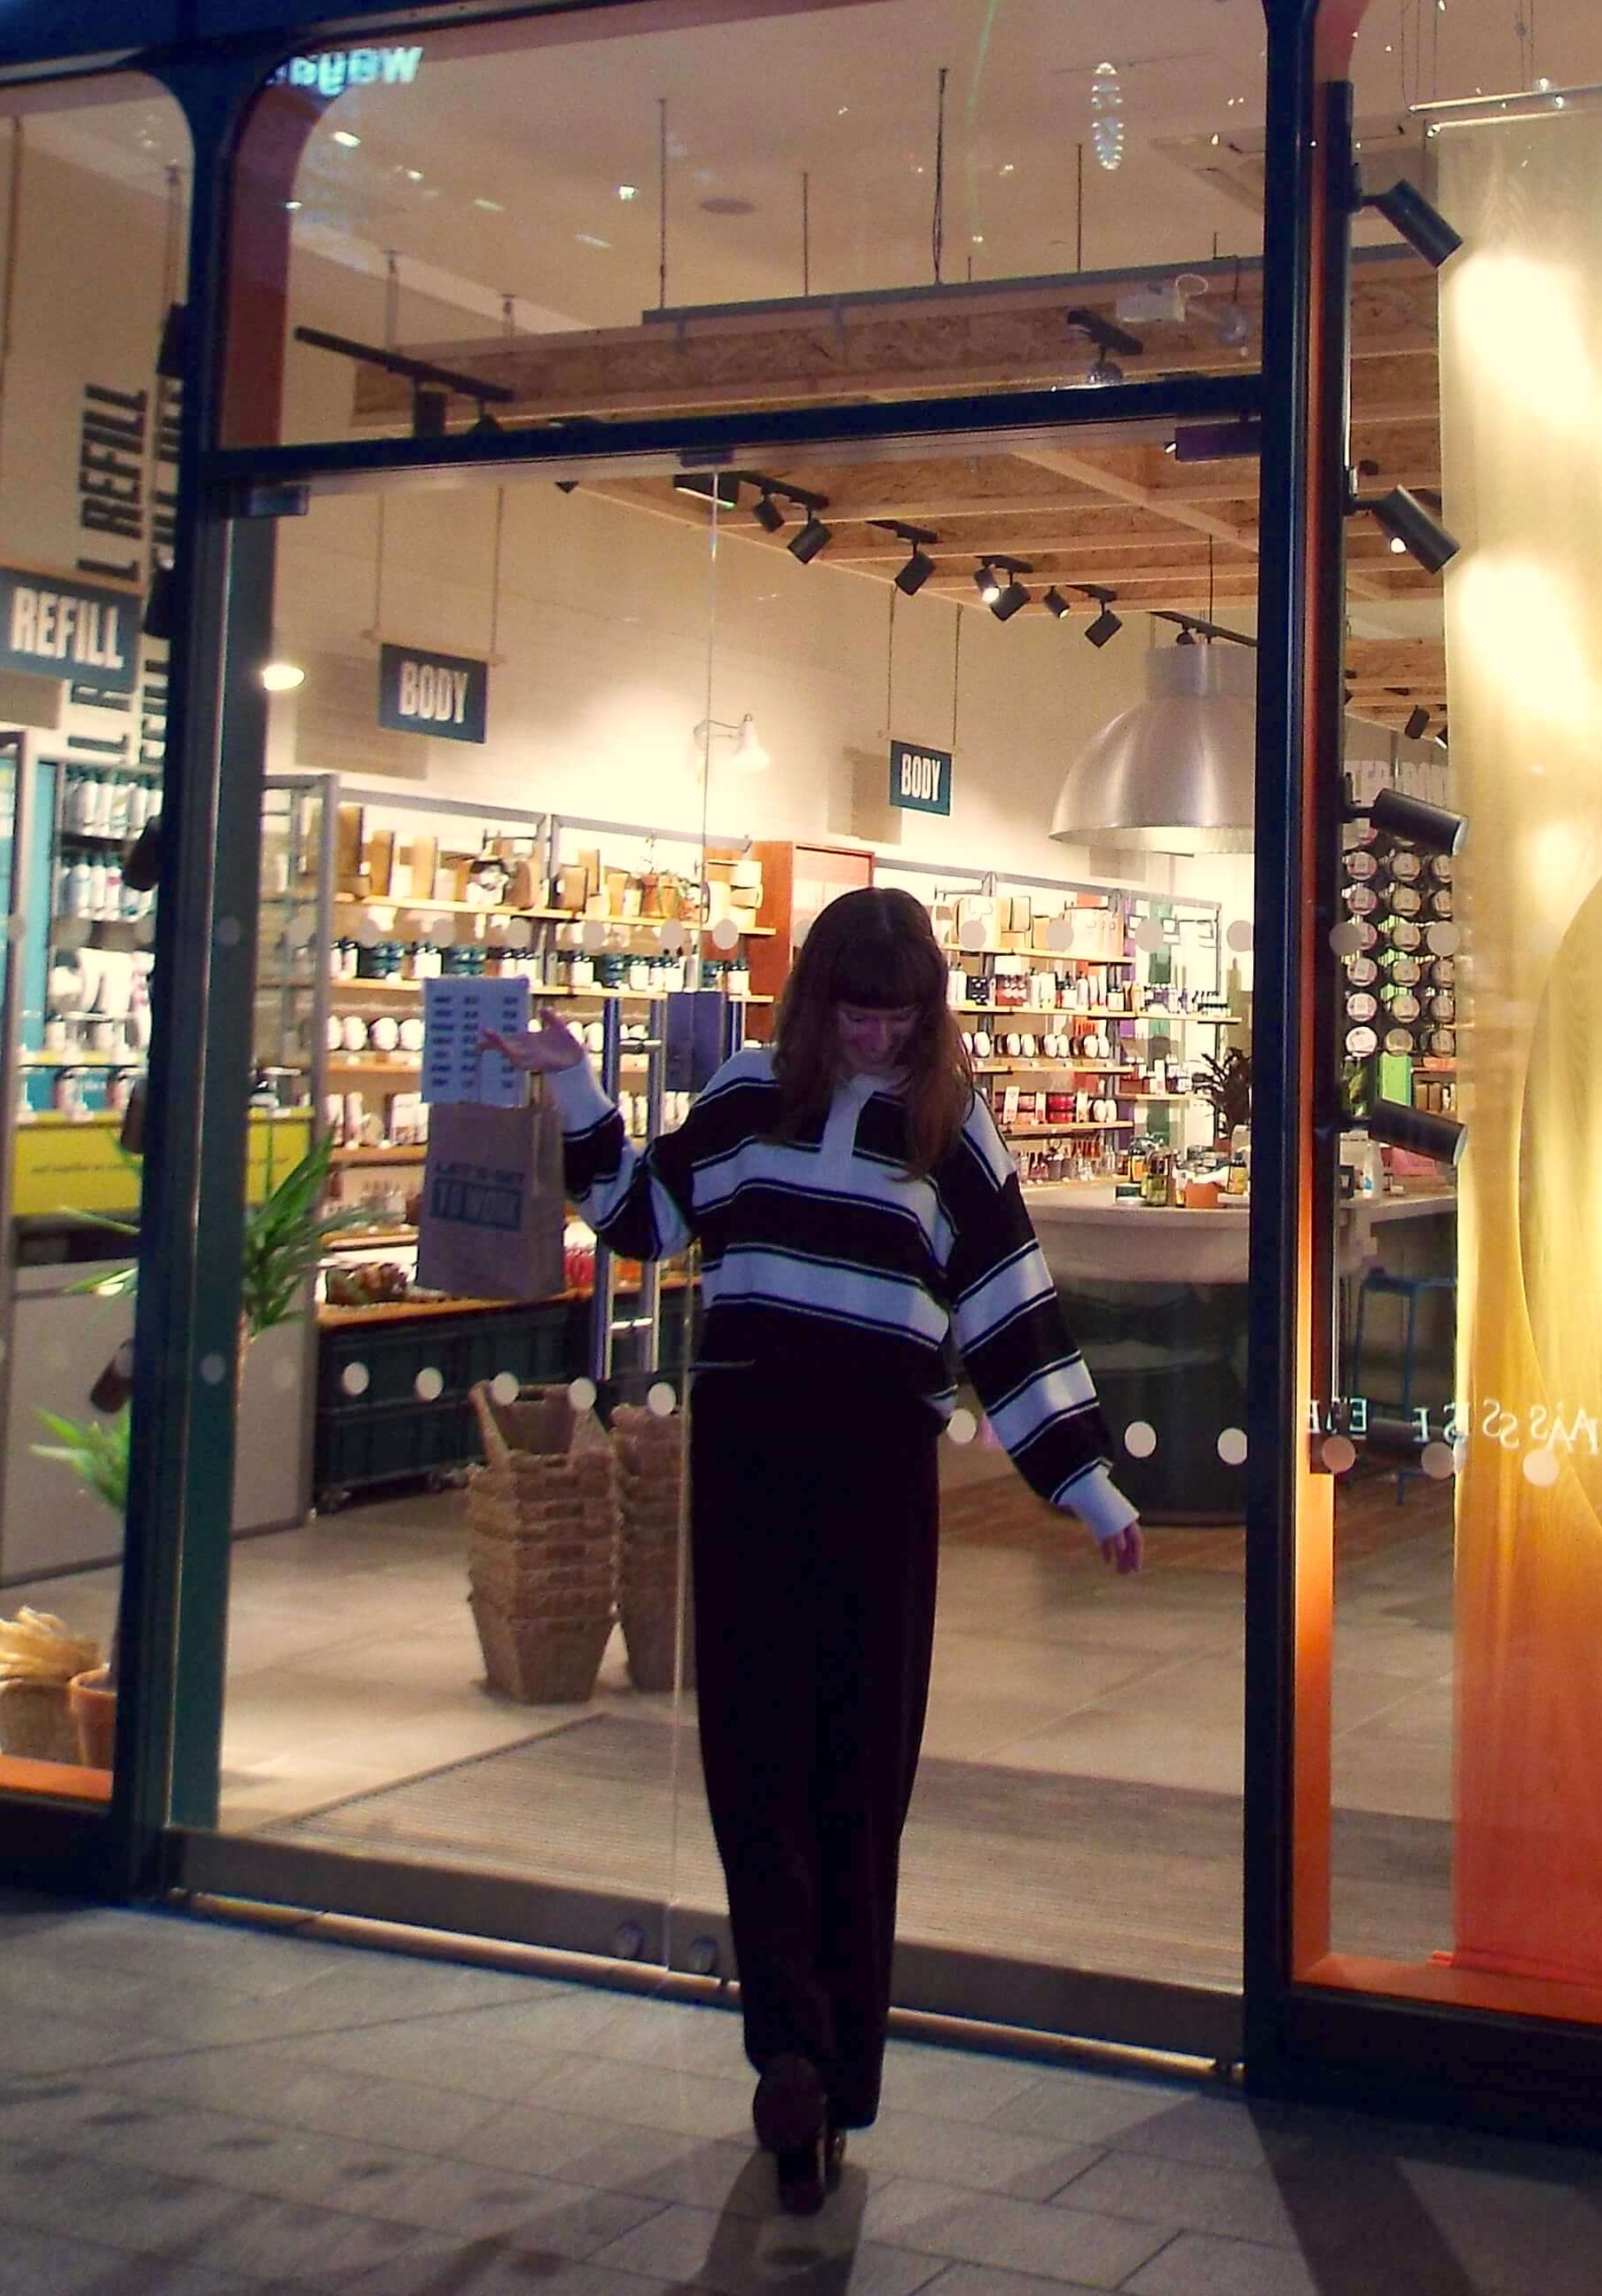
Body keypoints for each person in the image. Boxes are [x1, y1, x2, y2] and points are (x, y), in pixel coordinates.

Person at [490, 888, 1142, 2213]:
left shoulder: (954, 1136)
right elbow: (638, 1219)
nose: (876, 1035)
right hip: (748, 1467)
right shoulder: (744, 1099)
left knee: (857, 1778)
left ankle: (840, 2071)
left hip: (874, 1483)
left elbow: (1012, 1317)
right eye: (856, 1008)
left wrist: (1086, 1487)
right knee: (751, 1767)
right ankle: (789, 2054)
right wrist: (569, 1092)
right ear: (815, 1002)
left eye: (900, 1014)